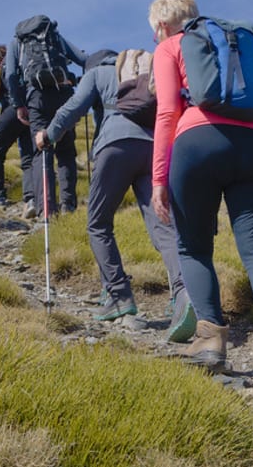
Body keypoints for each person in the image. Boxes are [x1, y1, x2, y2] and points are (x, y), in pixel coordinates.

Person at [149, 0, 253, 389]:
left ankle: (211, 343)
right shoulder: (234, 42)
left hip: (196, 144)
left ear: (162, 25)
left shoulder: (170, 48)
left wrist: (159, 178)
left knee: (194, 247)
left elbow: (167, 112)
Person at [35, 49, 194, 329]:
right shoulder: (138, 73)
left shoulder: (96, 74)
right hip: (153, 148)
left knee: (98, 224)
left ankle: (119, 296)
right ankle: (184, 292)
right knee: (163, 223)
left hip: (116, 146)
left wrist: (48, 134)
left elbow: (74, 107)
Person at [4, 15, 86, 217]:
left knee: (42, 150)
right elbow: (83, 59)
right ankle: (69, 206)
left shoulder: (17, 42)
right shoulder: (54, 37)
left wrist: (19, 105)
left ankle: (46, 210)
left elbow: (11, 75)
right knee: (66, 151)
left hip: (36, 98)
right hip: (64, 97)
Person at [0, 45, 34, 211]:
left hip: (12, 110)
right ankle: (31, 198)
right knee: (28, 156)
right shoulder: (20, 66)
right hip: (31, 110)